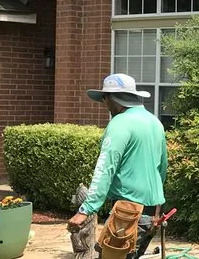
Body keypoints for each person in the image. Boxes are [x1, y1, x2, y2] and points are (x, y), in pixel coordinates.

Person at [67, 73, 168, 259]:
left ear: (112, 97)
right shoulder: (154, 122)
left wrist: (85, 210)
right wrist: (157, 207)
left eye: (104, 98)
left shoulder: (120, 124)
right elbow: (162, 168)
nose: (104, 103)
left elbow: (105, 169)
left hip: (128, 211)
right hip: (152, 210)